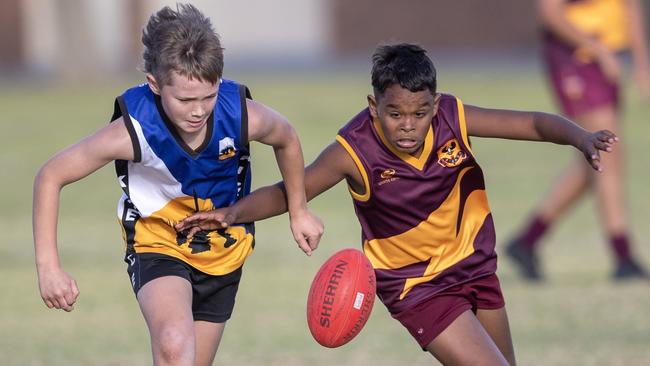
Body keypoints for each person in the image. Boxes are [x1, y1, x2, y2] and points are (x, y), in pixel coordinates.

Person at [175, 43, 619, 365]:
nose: (408, 126)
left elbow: (534, 124)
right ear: (374, 107)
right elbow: (292, 190)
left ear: (435, 104)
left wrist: (580, 137)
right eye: (395, 113)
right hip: (418, 289)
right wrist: (232, 213)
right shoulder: (353, 151)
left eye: (420, 113)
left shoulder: (453, 116)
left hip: (476, 267)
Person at [32, 4, 322, 366]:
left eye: (208, 96)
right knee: (173, 345)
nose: (199, 111)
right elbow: (51, 176)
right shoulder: (134, 129)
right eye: (185, 99)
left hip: (223, 251)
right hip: (158, 242)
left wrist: (299, 210)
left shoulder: (240, 113)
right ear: (155, 84)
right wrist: (49, 268)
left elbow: (287, 138)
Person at [505, 0, 649, 281]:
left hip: (607, 54)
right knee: (606, 152)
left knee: (594, 159)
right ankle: (623, 257)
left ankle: (526, 241)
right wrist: (597, 50)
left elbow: (630, 6)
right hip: (576, 55)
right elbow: (550, 11)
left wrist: (642, 63)